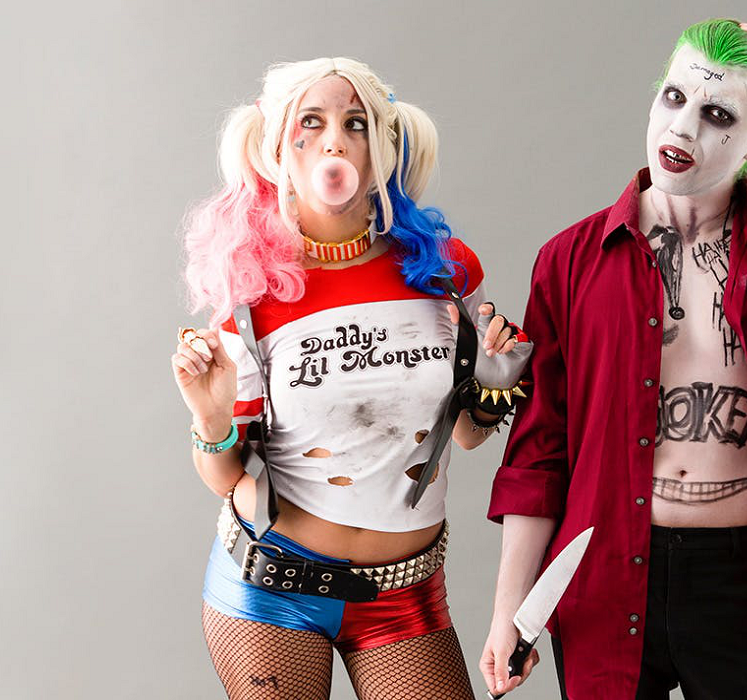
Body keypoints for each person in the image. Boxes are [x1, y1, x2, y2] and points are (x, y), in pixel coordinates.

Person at [480, 18, 747, 699]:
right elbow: (539, 447)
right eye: (674, 97)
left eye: (719, 115)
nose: (682, 129)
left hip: (746, 581)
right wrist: (509, 611)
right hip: (602, 573)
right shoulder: (569, 259)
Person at [171, 57, 530, 700]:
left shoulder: (443, 272)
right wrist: (211, 416)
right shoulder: (252, 294)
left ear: (383, 147)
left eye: (355, 123)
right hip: (271, 590)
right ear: (279, 146)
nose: (334, 141)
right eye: (311, 122)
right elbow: (227, 478)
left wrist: (495, 381)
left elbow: (467, 435)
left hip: (405, 594)